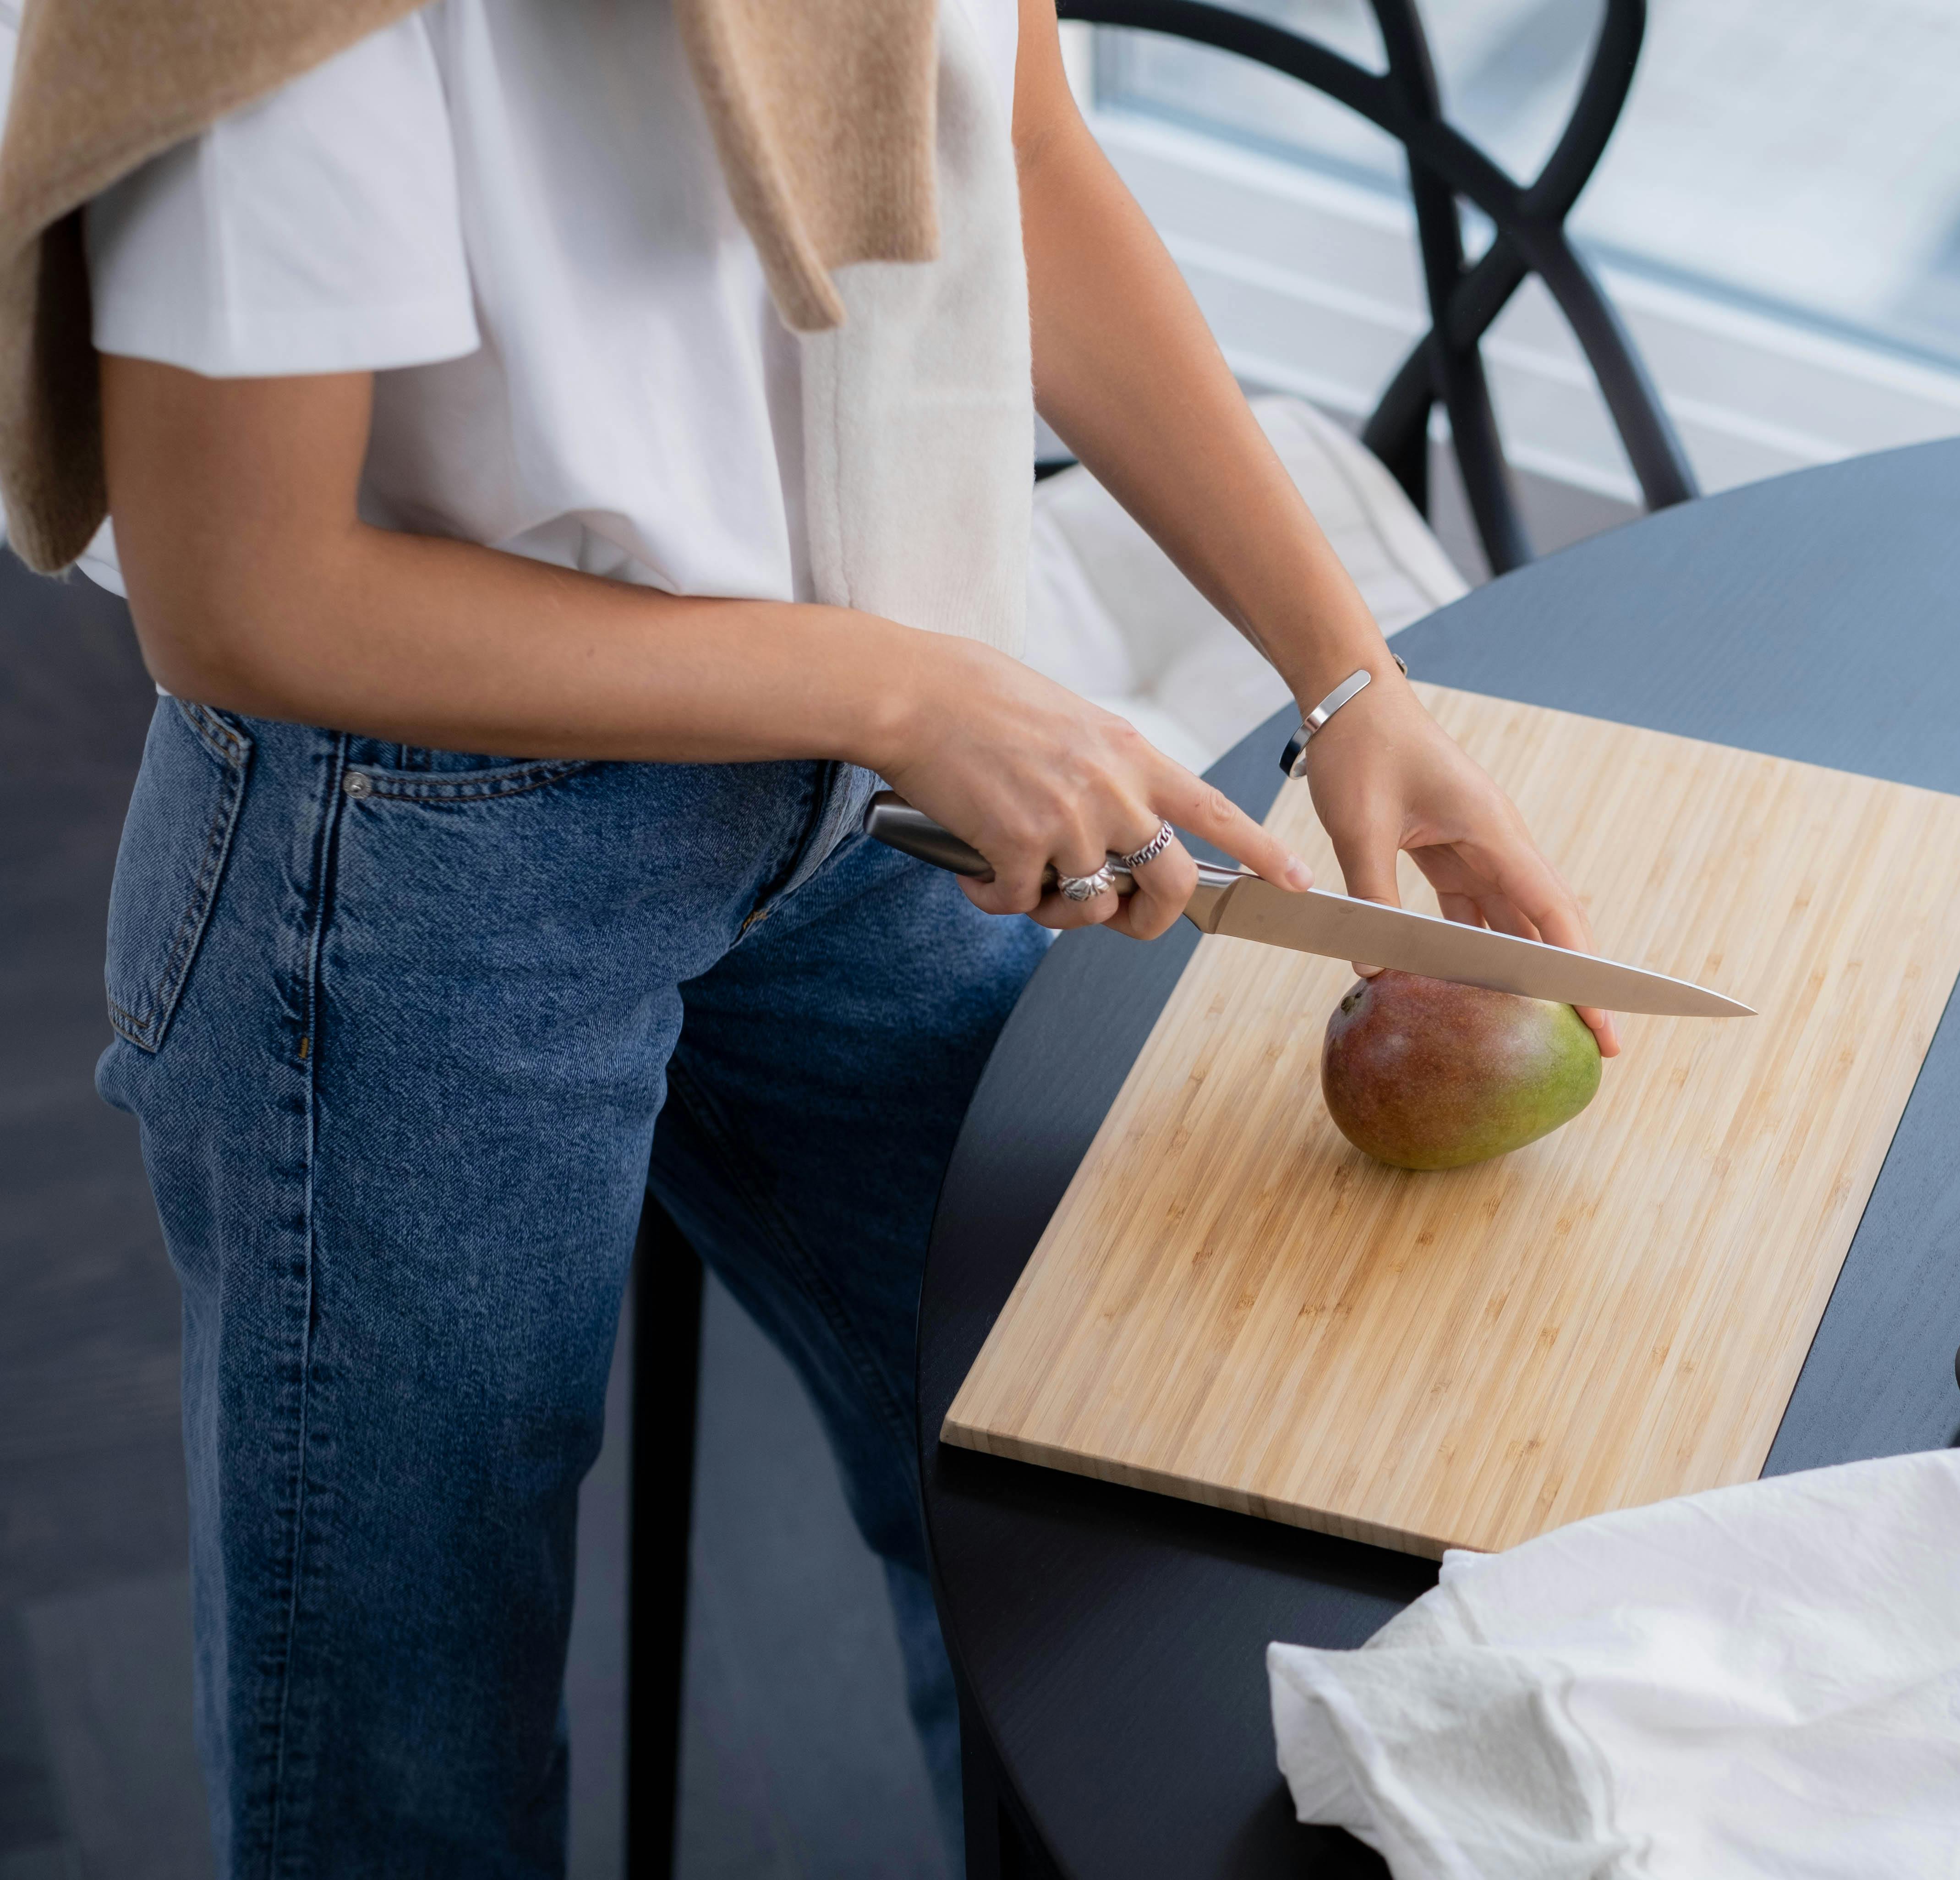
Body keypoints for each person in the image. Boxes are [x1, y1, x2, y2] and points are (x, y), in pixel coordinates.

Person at [12, 0, 1617, 1868]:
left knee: (1060, 1500)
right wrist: (901, 692)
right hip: (423, 863)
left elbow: (1009, 151)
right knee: (410, 1759)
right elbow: (246, 596)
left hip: (856, 778)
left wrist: (1351, 681)